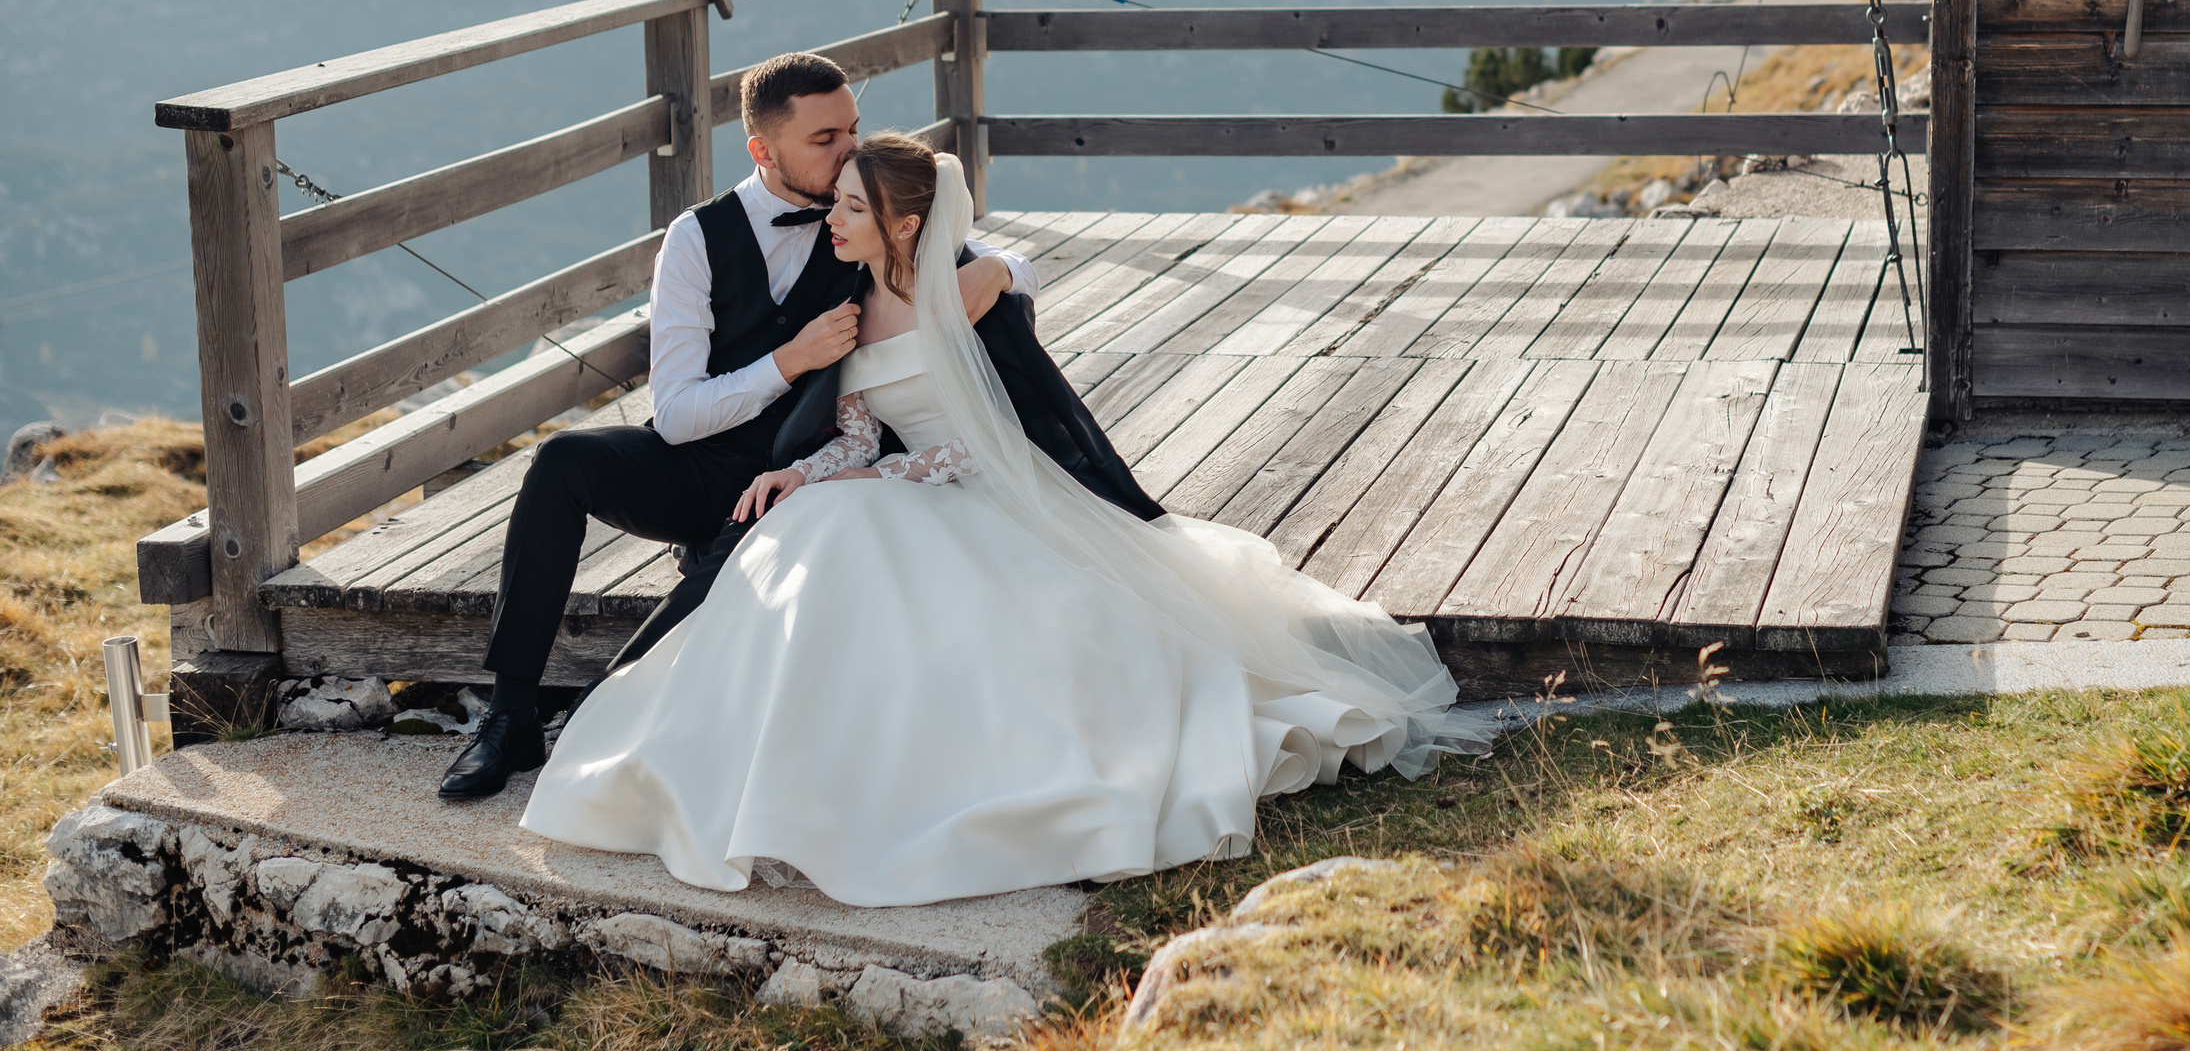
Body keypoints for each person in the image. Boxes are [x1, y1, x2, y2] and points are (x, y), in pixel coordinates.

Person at [521, 135, 1492, 905]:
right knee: (801, 533)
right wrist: (805, 475)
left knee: (885, 555)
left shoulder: (967, 296)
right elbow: (857, 436)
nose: (835, 223)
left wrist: (889, 475)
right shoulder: (852, 304)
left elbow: (988, 438)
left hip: (980, 490)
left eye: (855, 209)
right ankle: (764, 785)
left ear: (903, 221)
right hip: (891, 482)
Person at [438, 53, 1040, 800]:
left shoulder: (861, 211)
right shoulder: (696, 240)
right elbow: (677, 414)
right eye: (825, 138)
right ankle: (508, 714)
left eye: (852, 128)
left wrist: (1002, 270)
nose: (849, 149)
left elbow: (966, 240)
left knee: (708, 595)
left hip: (810, 480)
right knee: (561, 461)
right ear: (763, 150)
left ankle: (608, 718)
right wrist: (786, 362)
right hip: (700, 469)